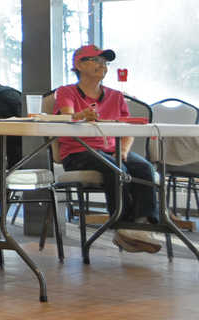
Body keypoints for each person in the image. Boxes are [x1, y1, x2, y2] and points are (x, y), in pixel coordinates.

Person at [54, 45, 162, 253]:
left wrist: (123, 151)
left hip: (112, 150)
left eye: (104, 62)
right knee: (116, 168)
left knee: (144, 168)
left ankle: (142, 225)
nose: (101, 65)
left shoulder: (116, 96)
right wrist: (80, 115)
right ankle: (122, 226)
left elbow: (128, 129)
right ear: (78, 65)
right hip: (78, 152)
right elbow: (66, 116)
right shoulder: (66, 91)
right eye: (95, 60)